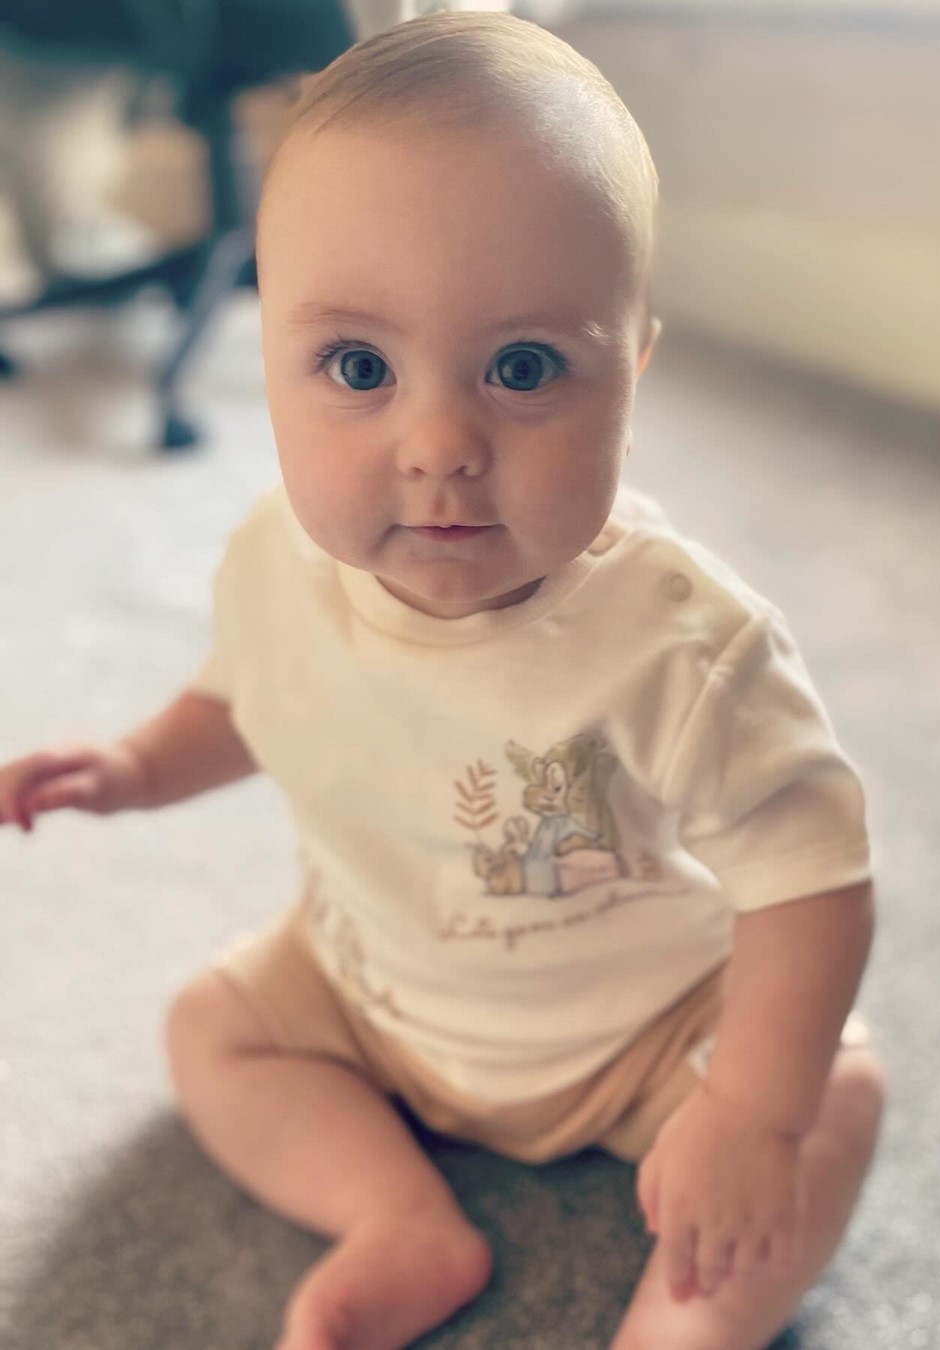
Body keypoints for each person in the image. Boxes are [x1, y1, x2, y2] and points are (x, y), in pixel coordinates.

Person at [0, 13, 885, 1350]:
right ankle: (394, 1217)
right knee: (209, 1029)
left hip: (644, 1030)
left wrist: (750, 1114)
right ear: (269, 353)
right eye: (358, 366)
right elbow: (244, 698)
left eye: (523, 368)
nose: (439, 444)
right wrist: (135, 767)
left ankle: (684, 1324)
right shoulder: (273, 559)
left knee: (829, 1097)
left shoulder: (684, 642)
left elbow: (813, 881)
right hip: (374, 991)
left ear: (631, 367)